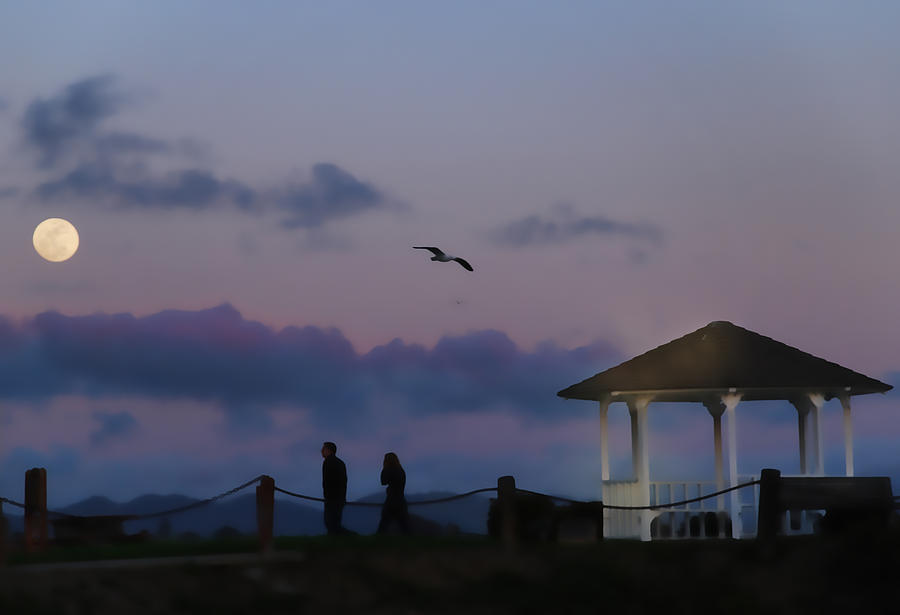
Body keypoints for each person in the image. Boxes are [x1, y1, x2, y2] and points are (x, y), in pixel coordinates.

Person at [376, 452, 410, 534]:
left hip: (391, 500)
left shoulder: (389, 470)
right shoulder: (401, 470)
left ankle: (378, 541)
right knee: (404, 525)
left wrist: (384, 468)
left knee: (384, 523)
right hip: (400, 499)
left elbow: (383, 481)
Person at [321, 441, 349, 535]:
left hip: (331, 497)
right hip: (340, 497)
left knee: (330, 522)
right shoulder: (341, 463)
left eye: (323, 449)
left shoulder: (328, 462)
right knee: (335, 522)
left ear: (329, 450)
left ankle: (349, 536)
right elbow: (344, 481)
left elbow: (327, 481)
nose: (321, 451)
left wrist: (327, 496)